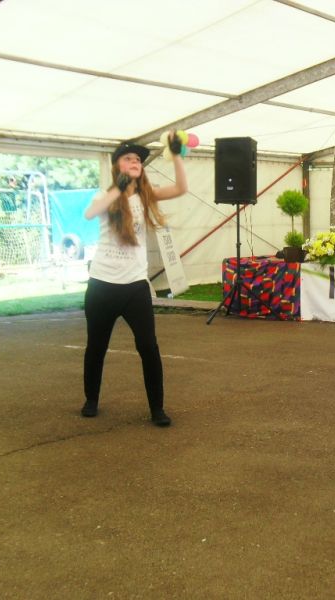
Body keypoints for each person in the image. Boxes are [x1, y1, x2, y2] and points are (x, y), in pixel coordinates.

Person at [80, 133, 188, 426]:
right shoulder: (104, 196)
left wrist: (176, 155)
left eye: (138, 159)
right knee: (96, 347)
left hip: (135, 286)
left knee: (149, 348)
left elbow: (181, 188)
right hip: (102, 284)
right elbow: (90, 213)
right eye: (128, 158)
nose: (135, 161)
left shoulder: (145, 196)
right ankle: (91, 400)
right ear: (117, 165)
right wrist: (120, 186)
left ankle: (157, 409)